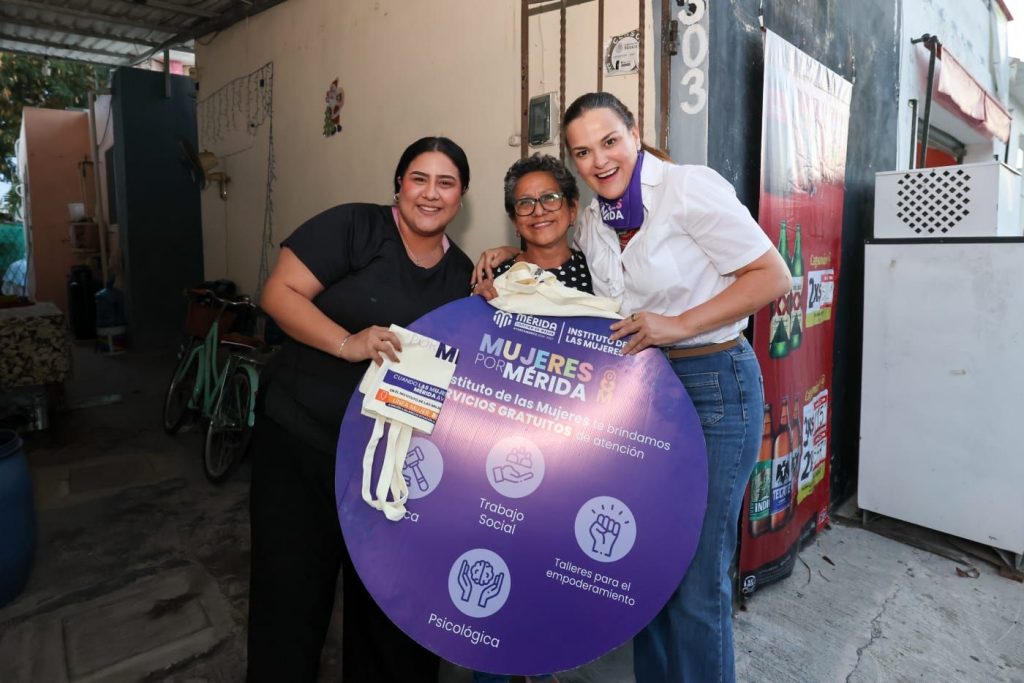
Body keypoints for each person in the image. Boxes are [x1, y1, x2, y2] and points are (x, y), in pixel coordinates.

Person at [472, 92, 791, 683]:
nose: (599, 161)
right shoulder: (596, 219)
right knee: (648, 573)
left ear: (634, 133)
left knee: (696, 582)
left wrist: (679, 324)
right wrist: (514, 252)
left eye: (609, 142)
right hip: (645, 393)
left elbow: (773, 275)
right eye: (582, 152)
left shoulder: (689, 188)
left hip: (713, 383)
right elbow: (564, 258)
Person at [248, 136, 475, 682]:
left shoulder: (462, 275)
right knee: (291, 597)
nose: (430, 193)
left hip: (383, 467)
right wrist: (347, 343)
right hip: (302, 443)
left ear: (462, 197)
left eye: (446, 183)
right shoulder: (355, 227)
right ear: (399, 184)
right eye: (419, 178)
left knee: (384, 609)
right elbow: (279, 294)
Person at [470, 152, 588, 683]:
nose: (538, 210)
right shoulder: (493, 277)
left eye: (549, 198)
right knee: (497, 562)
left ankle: (540, 660)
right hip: (502, 452)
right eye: (524, 203)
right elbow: (472, 356)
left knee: (551, 567)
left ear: (572, 207)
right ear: (512, 217)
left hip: (573, 449)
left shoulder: (600, 272)